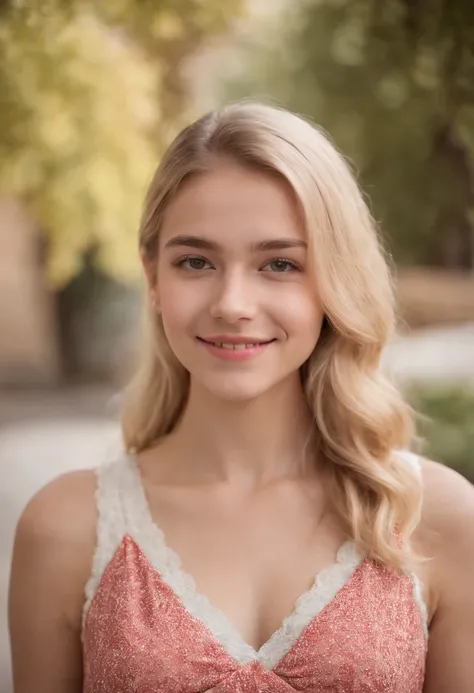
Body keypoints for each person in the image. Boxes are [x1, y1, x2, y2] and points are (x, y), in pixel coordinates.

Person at [8, 102, 474, 692]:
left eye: (279, 263)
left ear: (335, 281)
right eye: (196, 261)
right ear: (153, 277)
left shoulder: (437, 518)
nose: (232, 303)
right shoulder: (67, 527)